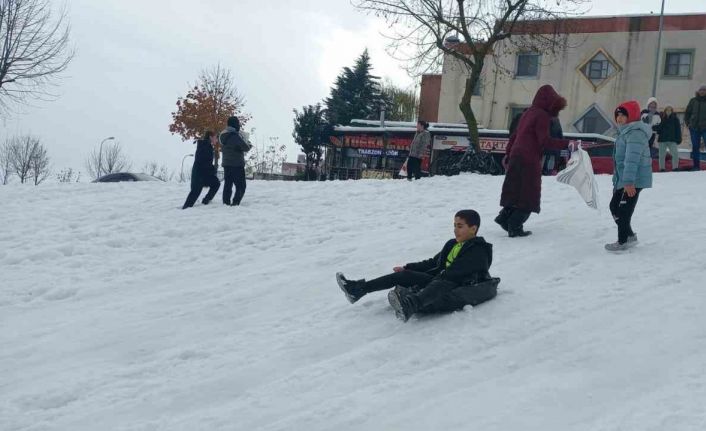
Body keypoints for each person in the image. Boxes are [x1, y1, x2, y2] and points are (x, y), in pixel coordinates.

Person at [335, 210, 498, 322]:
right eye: (454, 225)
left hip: (460, 286)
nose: (455, 230)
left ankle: (409, 305)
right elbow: (433, 263)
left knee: (443, 281)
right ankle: (357, 290)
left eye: (460, 226)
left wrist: (436, 278)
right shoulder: (452, 244)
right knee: (404, 275)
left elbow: (458, 273)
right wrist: (408, 267)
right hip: (440, 280)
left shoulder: (479, 249)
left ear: (473, 228)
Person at [495, 85, 570, 237]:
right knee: (529, 194)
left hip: (516, 156)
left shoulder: (527, 113)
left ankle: (504, 218)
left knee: (515, 191)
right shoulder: (542, 115)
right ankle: (515, 226)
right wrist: (566, 143)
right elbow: (544, 141)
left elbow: (514, 135)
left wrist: (508, 154)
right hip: (529, 158)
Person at [605, 101, 653, 252]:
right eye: (617, 115)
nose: (619, 118)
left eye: (623, 115)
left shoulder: (635, 133)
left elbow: (632, 160)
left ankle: (623, 241)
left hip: (633, 179)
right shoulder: (625, 132)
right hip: (625, 179)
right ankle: (630, 236)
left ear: (631, 116)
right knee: (614, 207)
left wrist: (629, 182)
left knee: (624, 210)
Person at [182, 131, 221, 209]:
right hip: (199, 175)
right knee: (194, 193)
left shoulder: (206, 146)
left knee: (216, 183)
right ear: (211, 137)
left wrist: (211, 169)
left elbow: (206, 162)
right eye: (216, 137)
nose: (216, 140)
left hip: (203, 174)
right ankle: (185, 209)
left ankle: (206, 201)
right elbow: (203, 162)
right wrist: (212, 169)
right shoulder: (205, 146)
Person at [220, 116, 252, 206]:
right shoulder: (234, 136)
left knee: (228, 184)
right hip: (237, 164)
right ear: (235, 124)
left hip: (226, 164)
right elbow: (245, 147)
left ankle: (225, 203)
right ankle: (235, 203)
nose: (239, 125)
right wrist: (249, 144)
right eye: (238, 123)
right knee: (241, 186)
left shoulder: (223, 135)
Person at [655, 104, 682, 172]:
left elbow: (678, 130)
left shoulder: (675, 119)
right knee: (661, 155)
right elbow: (658, 129)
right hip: (662, 139)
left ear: (672, 111)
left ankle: (675, 168)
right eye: (667, 110)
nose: (668, 111)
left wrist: (679, 139)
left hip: (672, 139)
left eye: (670, 110)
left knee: (675, 154)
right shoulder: (661, 118)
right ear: (665, 111)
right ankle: (662, 168)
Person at [685, 84, 706, 171]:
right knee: (695, 147)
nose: (702, 91)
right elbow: (687, 113)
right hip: (694, 128)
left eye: (704, 90)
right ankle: (696, 166)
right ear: (698, 91)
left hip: (705, 128)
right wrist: (688, 124)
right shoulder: (693, 101)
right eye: (701, 90)